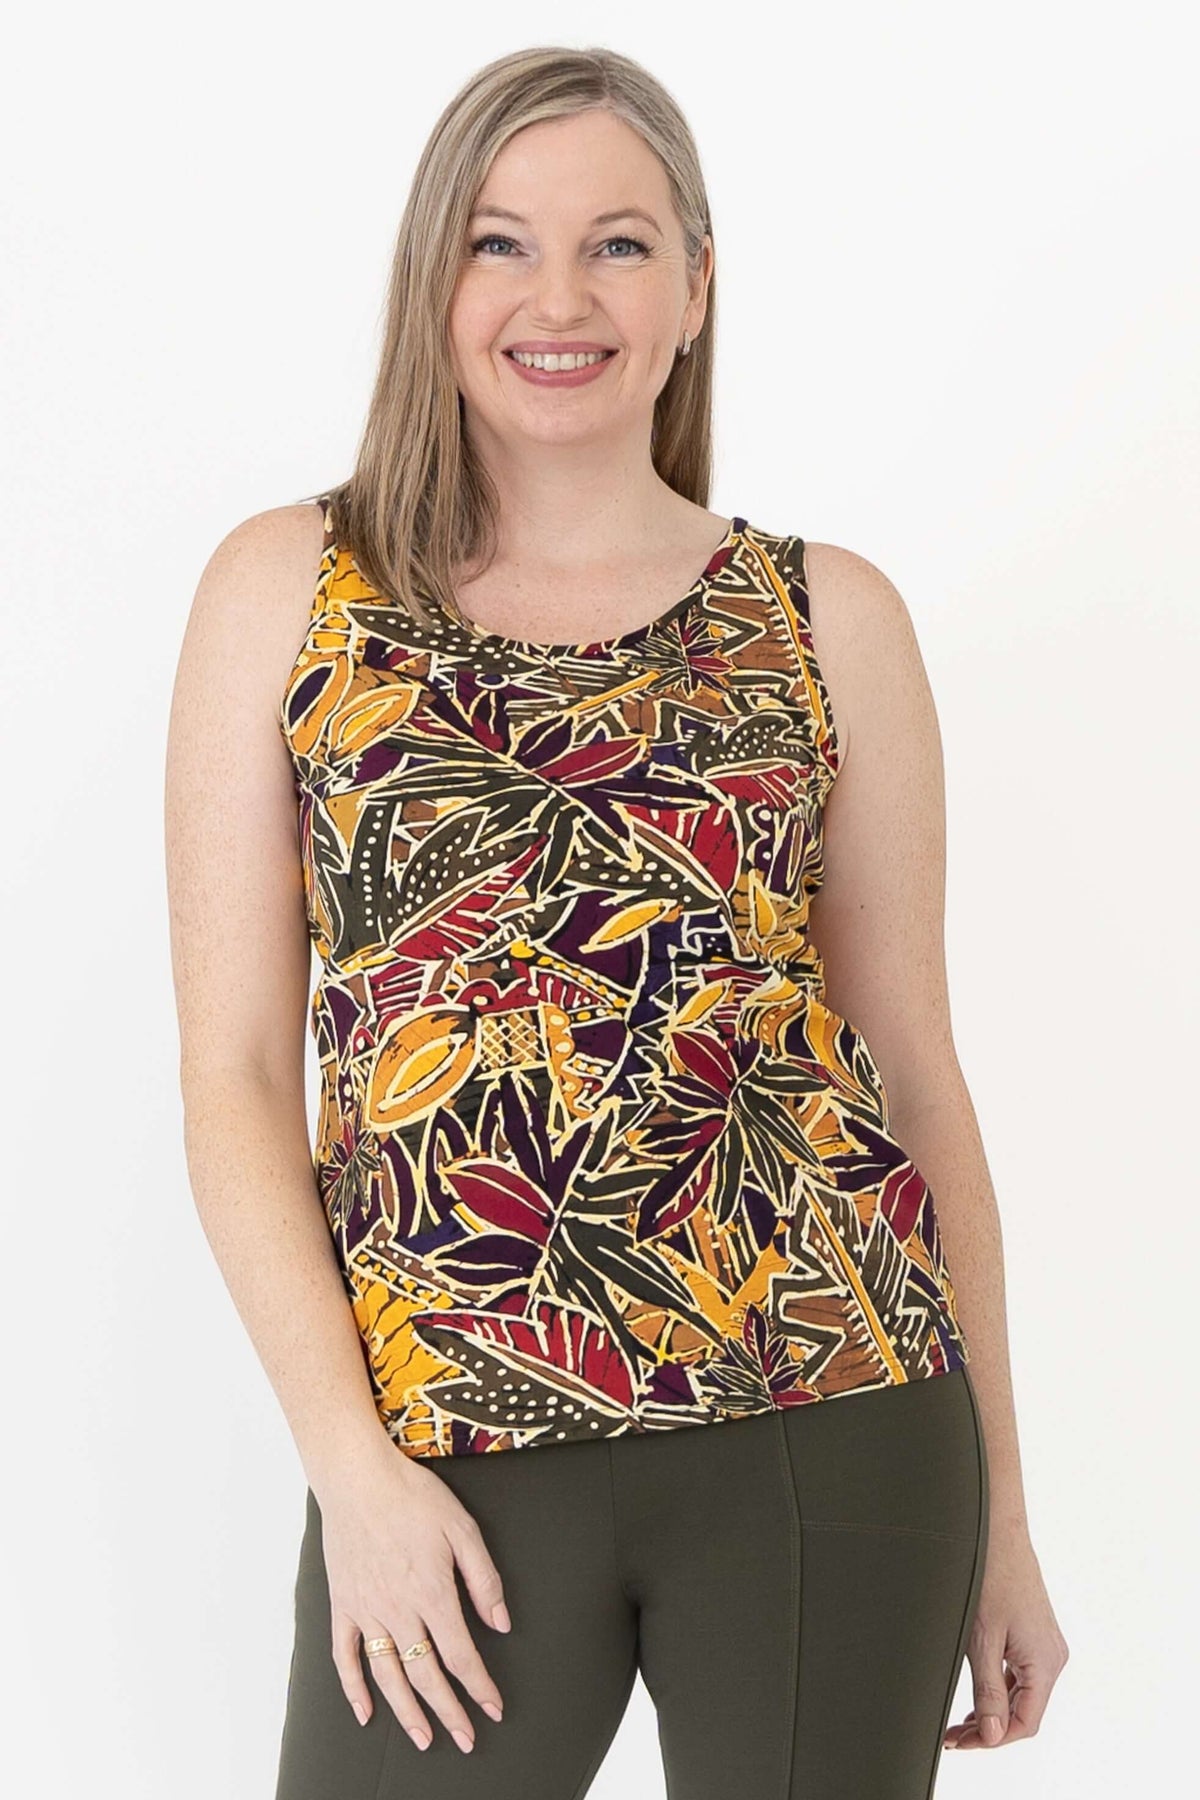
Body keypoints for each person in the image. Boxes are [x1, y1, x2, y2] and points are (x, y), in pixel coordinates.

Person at [164, 43, 1068, 1800]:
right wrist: (353, 1473)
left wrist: (1008, 1521)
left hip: (835, 1412)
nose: (558, 298)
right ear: (435, 275)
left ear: (698, 284)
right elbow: (233, 1077)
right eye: (501, 244)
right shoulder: (291, 589)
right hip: (452, 1451)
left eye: (621, 245)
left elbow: (916, 1079)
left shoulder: (829, 617)